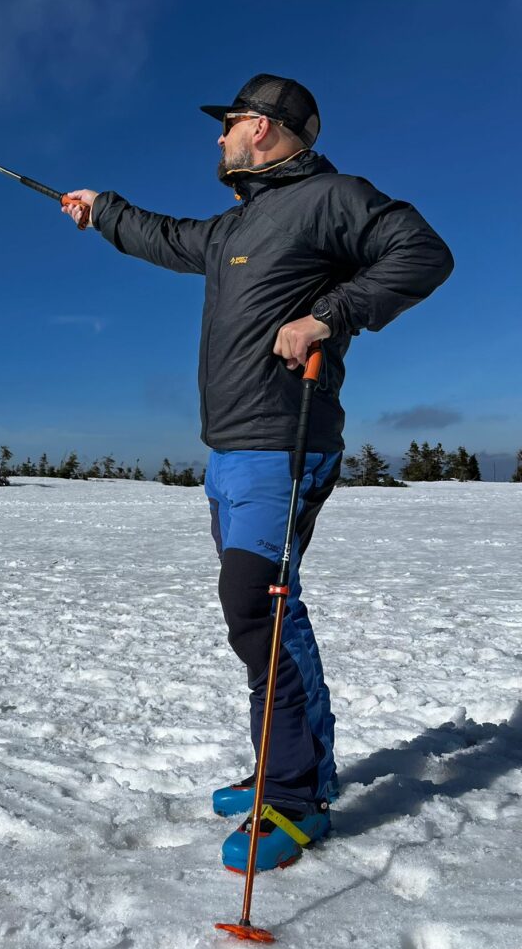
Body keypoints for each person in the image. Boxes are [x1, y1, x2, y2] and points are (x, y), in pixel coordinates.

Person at [62, 74, 453, 872]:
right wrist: (102, 209)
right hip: (230, 449)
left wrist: (326, 314)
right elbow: (169, 237)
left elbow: (423, 251)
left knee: (261, 607)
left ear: (267, 131)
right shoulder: (240, 222)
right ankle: (282, 766)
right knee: (253, 623)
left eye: (230, 123)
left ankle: (301, 796)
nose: (219, 138)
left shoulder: (332, 197)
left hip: (286, 438)